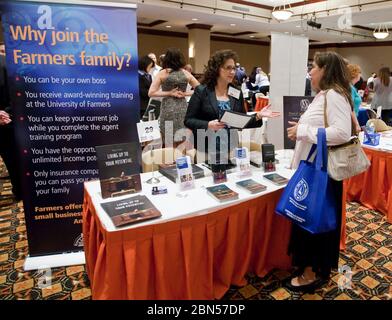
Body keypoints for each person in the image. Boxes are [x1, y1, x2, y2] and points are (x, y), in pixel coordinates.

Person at [286, 51, 352, 292]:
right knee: (308, 220)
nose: (310, 71)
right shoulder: (324, 95)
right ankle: (309, 268)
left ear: (325, 70)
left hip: (322, 173)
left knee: (313, 222)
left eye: (314, 67)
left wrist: (303, 131)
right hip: (315, 169)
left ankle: (311, 274)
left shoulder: (334, 95)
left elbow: (342, 133)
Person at [184, 49, 279, 163]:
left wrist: (258, 116)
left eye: (234, 68)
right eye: (228, 68)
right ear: (217, 69)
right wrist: (208, 124)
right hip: (205, 148)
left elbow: (241, 120)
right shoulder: (202, 91)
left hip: (231, 148)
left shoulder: (236, 92)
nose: (232, 72)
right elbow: (188, 120)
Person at [148, 48, 199, 145]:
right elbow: (200, 89)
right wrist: (185, 94)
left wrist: (169, 93)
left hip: (167, 109)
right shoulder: (186, 73)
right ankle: (181, 159)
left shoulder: (163, 73)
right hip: (182, 108)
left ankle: (169, 158)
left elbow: (151, 93)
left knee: (168, 141)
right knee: (182, 140)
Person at [0, 52, 22, 200]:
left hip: (5, 124)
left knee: (12, 160)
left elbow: (17, 92)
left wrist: (6, 113)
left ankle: (19, 190)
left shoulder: (6, 63)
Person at [347, 63, 362, 133]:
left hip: (352, 118)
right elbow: (350, 107)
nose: (360, 75)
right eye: (359, 72)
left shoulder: (351, 87)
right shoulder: (350, 88)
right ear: (355, 74)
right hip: (350, 120)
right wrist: (356, 124)